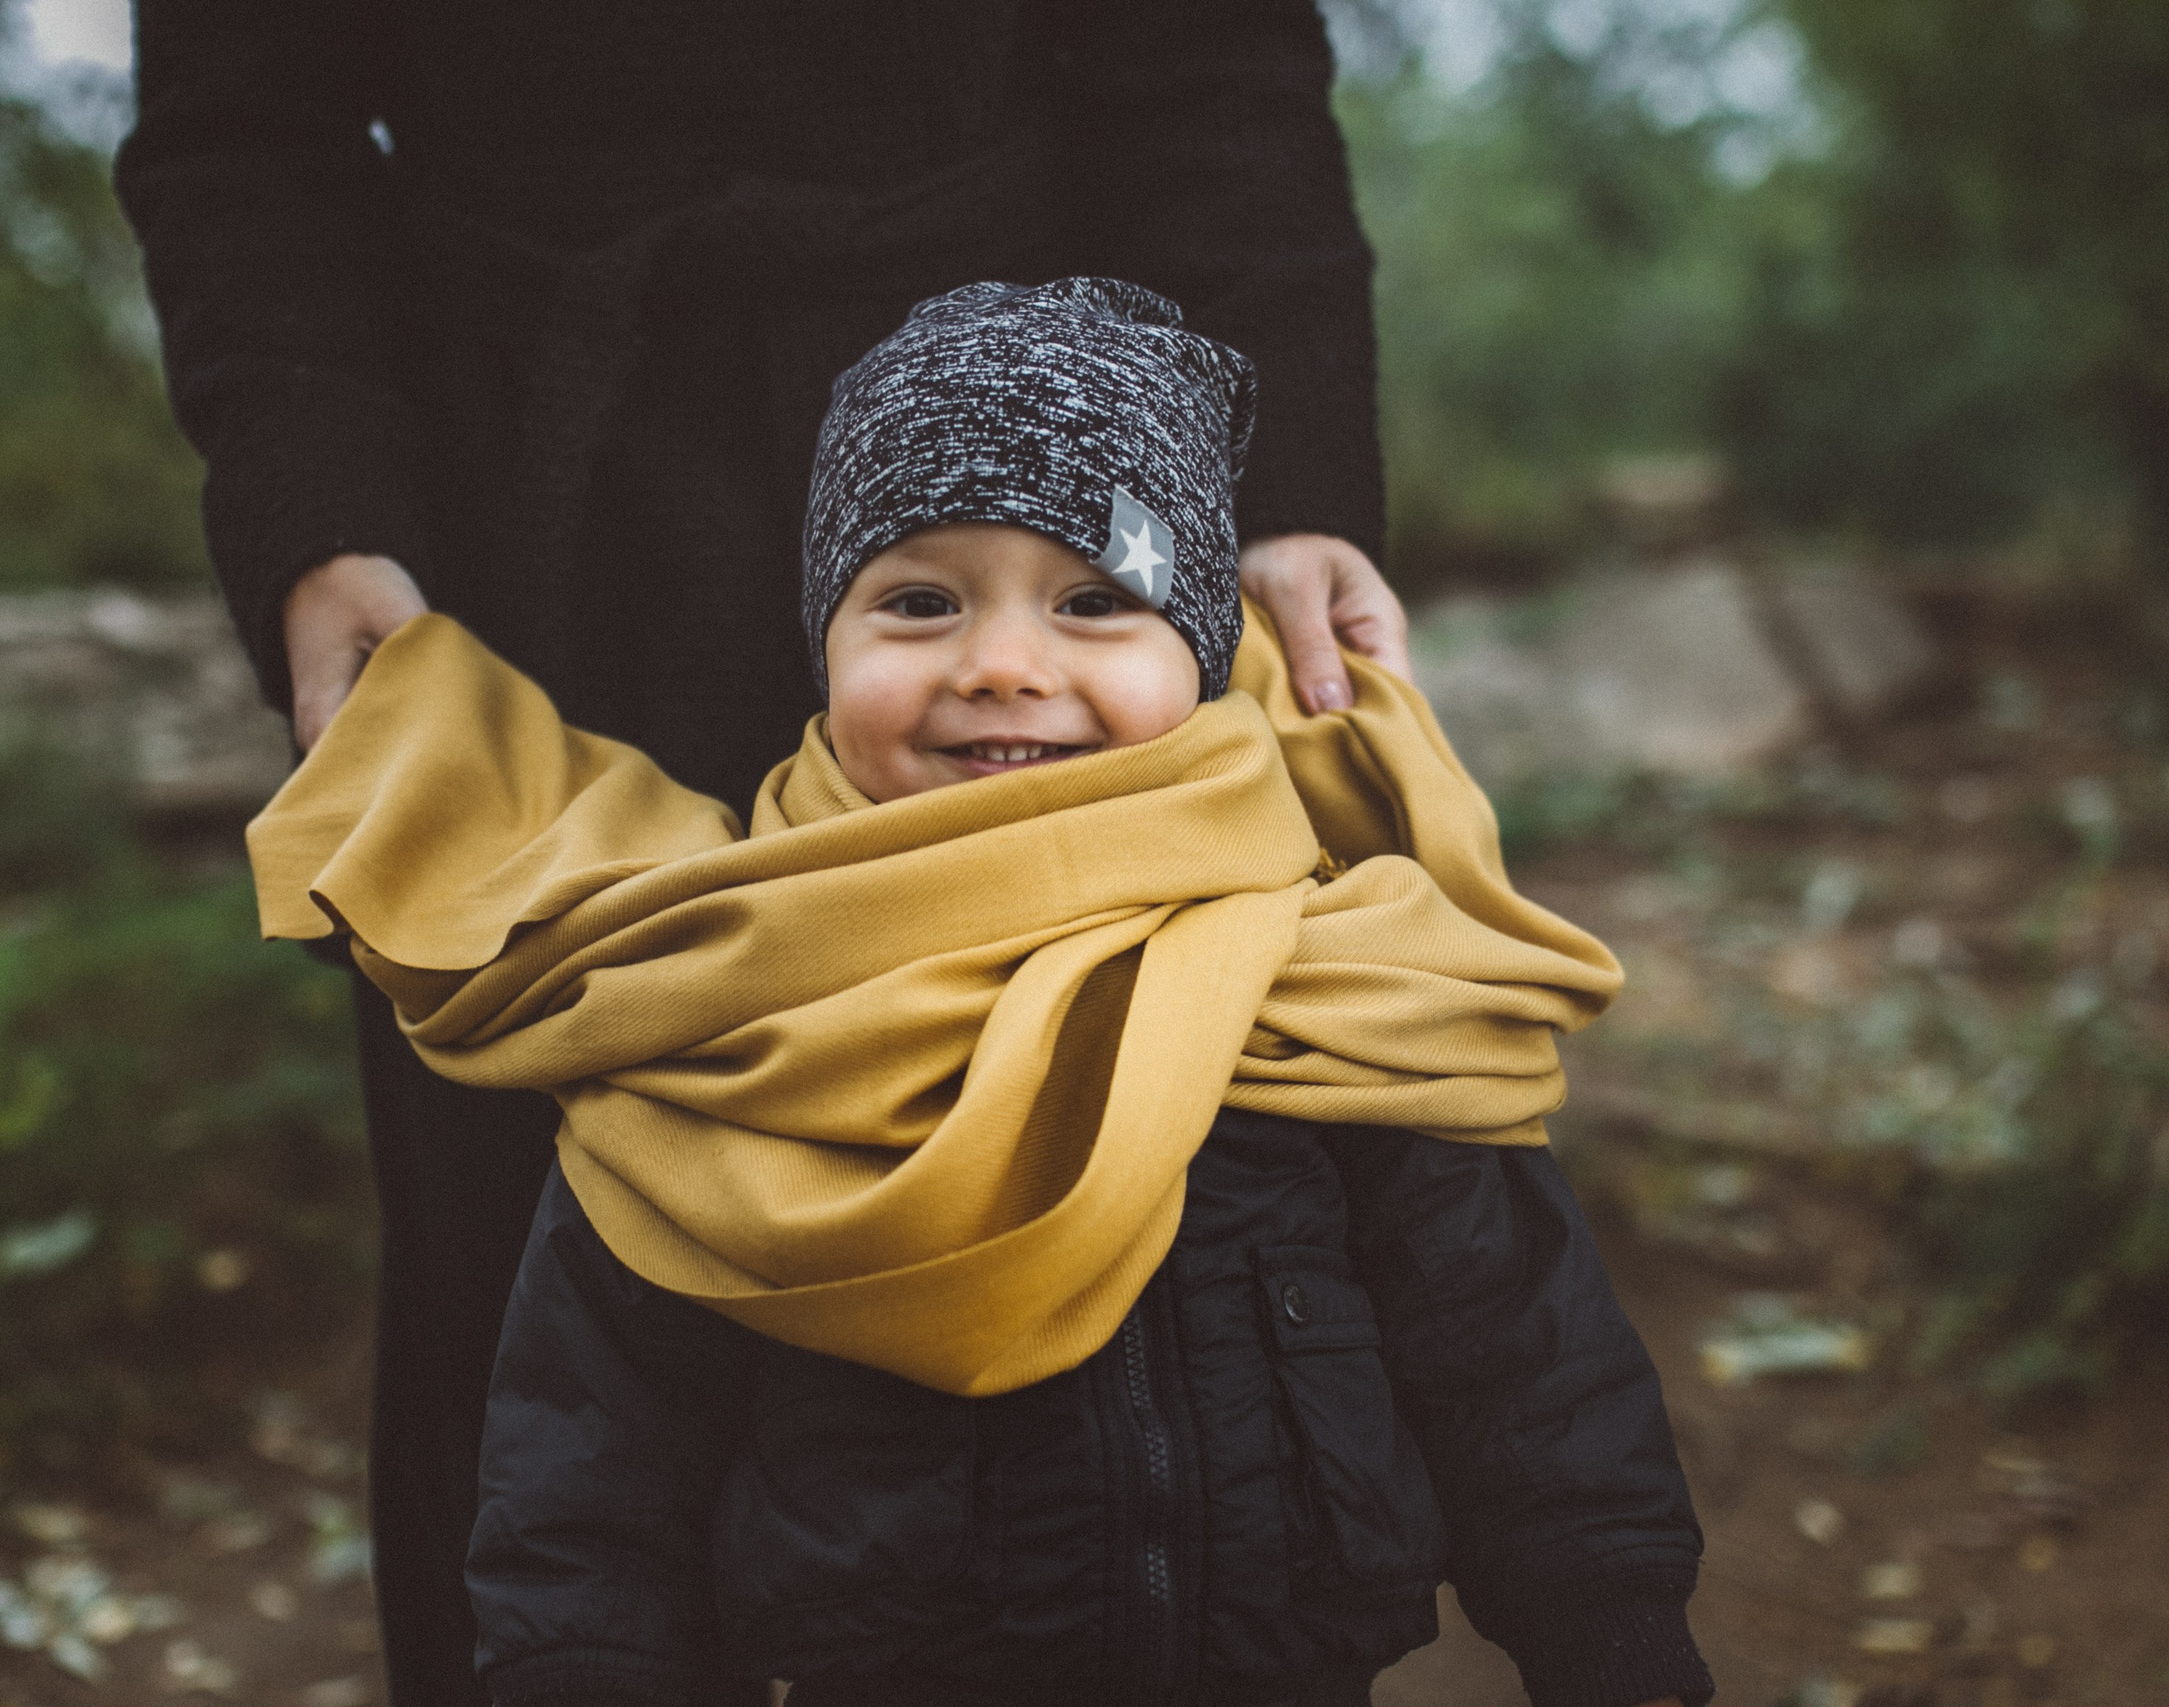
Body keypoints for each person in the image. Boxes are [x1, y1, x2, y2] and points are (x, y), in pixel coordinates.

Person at [112, 9, 1414, 1702]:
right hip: (520, 538)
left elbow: (1208, 61)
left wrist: (1280, 477)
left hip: (1034, 493)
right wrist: (321, 513)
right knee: (531, 1266)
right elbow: (242, 125)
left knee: (1088, 1179)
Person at [248, 281, 1712, 1707]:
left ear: (1201, 660)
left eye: (1093, 601)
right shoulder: (727, 1011)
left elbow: (1520, 1361)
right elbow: (595, 1464)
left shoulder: (1337, 976)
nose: (1004, 665)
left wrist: (1616, 1634)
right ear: (823, 643)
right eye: (922, 601)